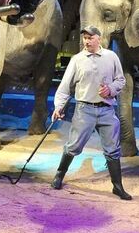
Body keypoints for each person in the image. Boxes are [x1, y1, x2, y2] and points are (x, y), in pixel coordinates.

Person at [50, 25, 132, 200]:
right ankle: (59, 175)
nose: (86, 41)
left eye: (90, 37)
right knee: (73, 146)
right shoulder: (77, 60)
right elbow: (65, 86)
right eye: (85, 38)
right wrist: (59, 106)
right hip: (84, 109)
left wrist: (110, 89)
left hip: (107, 110)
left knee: (112, 150)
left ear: (98, 39)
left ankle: (117, 187)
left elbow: (121, 80)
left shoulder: (111, 57)